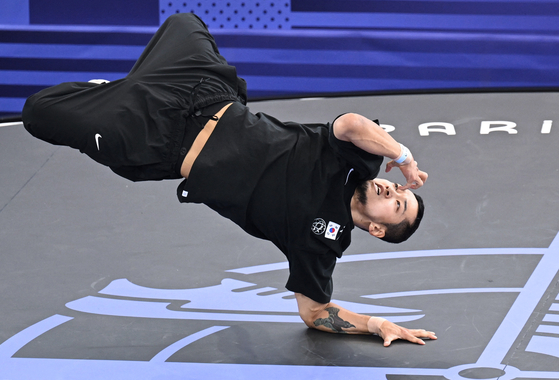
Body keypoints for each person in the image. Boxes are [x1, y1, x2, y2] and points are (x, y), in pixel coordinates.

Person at [21, 13, 435, 347]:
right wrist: (401, 154)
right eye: (399, 188)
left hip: (157, 139)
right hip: (203, 90)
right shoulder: (356, 160)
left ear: (377, 228)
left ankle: (119, 96)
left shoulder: (320, 242)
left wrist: (375, 323)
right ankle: (125, 91)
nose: (392, 188)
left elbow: (314, 313)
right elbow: (350, 124)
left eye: (397, 203)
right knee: (185, 22)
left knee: (38, 110)